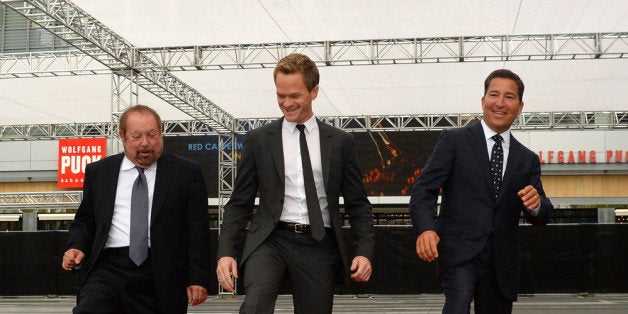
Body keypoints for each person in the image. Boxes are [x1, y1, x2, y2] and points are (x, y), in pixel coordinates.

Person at [216, 53, 375, 313]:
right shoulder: (259, 140)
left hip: (318, 243)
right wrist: (225, 253)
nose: (286, 103)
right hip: (269, 240)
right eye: (280, 95)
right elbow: (238, 204)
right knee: (254, 305)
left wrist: (364, 251)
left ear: (314, 92)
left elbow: (358, 204)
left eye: (295, 96)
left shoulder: (340, 142)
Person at [409, 69, 553, 314]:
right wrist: (426, 229)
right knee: (458, 303)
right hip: (458, 253)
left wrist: (536, 204)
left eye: (509, 97)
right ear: (483, 100)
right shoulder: (453, 140)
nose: (500, 103)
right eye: (494, 94)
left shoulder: (526, 159)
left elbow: (542, 213)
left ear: (520, 106)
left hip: (500, 264)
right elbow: (424, 190)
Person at [61, 105, 212, 313]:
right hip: (108, 267)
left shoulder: (186, 172)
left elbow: (198, 230)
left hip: (162, 270)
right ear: (122, 136)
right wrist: (76, 246)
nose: (145, 143)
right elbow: (86, 219)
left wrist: (198, 278)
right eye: (136, 136)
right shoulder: (99, 172)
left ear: (160, 133)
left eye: (152, 135)